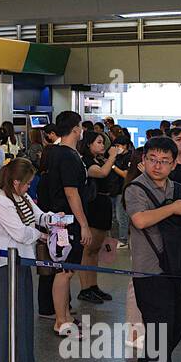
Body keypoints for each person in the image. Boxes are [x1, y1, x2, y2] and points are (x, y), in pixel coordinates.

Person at [124, 135, 181, 362]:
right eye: (153, 160)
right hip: (148, 269)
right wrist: (174, 208)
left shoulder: (177, 189)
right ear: (143, 161)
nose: (157, 166)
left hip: (177, 266)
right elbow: (140, 220)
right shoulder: (135, 189)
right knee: (158, 327)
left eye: (164, 161)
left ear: (173, 164)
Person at [0, 158, 63, 362]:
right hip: (4, 264)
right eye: (27, 183)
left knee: (23, 312)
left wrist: (54, 219)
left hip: (22, 260)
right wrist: (42, 234)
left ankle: (23, 359)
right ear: (16, 181)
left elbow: (37, 215)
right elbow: (19, 233)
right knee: (8, 315)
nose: (30, 187)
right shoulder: (0, 200)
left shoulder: (21, 195)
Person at [40, 111, 90, 333]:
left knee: (65, 268)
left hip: (57, 218)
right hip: (66, 221)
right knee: (64, 270)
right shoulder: (68, 156)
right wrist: (84, 224)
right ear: (75, 129)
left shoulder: (54, 152)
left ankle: (65, 314)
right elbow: (71, 193)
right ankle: (60, 320)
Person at [77, 129, 124, 304]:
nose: (102, 145)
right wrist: (112, 156)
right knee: (88, 250)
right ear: (88, 144)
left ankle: (93, 285)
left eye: (103, 142)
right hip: (94, 206)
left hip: (104, 204)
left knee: (96, 250)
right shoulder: (87, 162)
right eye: (98, 142)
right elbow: (102, 173)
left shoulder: (100, 160)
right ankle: (85, 288)